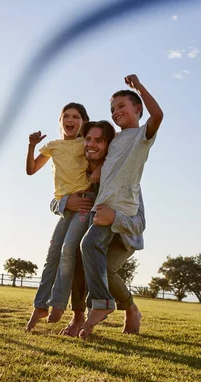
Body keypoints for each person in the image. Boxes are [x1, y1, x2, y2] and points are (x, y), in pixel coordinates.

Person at [79, 74, 163, 339]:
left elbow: (158, 115)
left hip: (118, 209)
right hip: (105, 206)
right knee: (100, 265)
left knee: (87, 245)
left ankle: (101, 304)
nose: (116, 112)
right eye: (112, 109)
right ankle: (128, 309)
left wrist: (139, 88)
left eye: (122, 106)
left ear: (137, 108)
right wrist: (100, 168)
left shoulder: (141, 136)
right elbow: (108, 158)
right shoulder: (114, 140)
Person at [50, 121, 145, 336]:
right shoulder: (78, 171)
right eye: (88, 139)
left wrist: (113, 217)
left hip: (122, 237)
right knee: (75, 254)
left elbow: (139, 223)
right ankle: (78, 317)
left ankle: (131, 309)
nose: (91, 144)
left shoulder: (121, 176)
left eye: (99, 141)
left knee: (105, 270)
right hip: (89, 238)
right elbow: (54, 201)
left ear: (108, 146)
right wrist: (66, 203)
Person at [25, 103, 100, 331]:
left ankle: (57, 304)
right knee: (52, 255)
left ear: (83, 121)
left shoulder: (85, 143)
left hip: (84, 202)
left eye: (76, 117)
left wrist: (98, 169)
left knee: (69, 249)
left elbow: (105, 149)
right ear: (60, 121)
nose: (70, 120)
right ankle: (40, 306)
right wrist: (31, 147)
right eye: (66, 116)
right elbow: (31, 169)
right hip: (65, 205)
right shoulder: (52, 146)